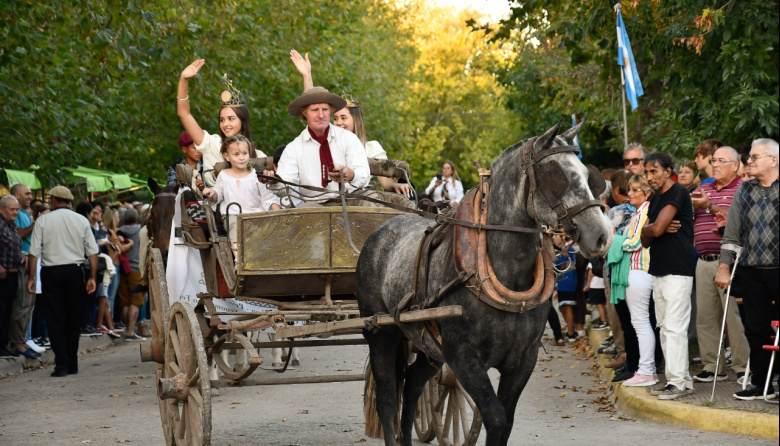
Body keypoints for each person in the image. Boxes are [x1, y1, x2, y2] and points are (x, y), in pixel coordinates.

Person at [290, 50, 412, 198]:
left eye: (343, 118)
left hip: (358, 201)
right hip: (328, 201)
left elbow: (386, 182)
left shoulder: (370, 148)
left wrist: (396, 185)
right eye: (335, 118)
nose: (339, 123)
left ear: (356, 121)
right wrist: (307, 76)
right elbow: (312, 108)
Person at [715, 138, 779, 400]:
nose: (748, 161)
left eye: (754, 157)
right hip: (751, 270)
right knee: (755, 328)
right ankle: (761, 384)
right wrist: (723, 267)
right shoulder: (744, 190)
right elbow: (732, 234)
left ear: (773, 160)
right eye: (749, 157)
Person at [690, 146, 749, 384]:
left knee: (733, 317)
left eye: (720, 161)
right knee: (705, 317)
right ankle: (712, 366)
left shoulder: (743, 188)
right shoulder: (703, 188)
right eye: (713, 160)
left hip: (731, 262)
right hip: (703, 260)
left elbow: (742, 221)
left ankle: (743, 367)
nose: (714, 165)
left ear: (735, 165)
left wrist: (709, 207)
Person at [26, 186, 99, 376]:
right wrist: (92, 277)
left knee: (55, 318)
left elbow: (34, 252)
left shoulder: (43, 220)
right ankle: (72, 363)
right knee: (73, 318)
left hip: (51, 272)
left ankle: (62, 364)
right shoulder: (81, 220)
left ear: (55, 200)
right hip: (75, 271)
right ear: (68, 201)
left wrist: (31, 278)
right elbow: (93, 252)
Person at [641, 152, 696, 400]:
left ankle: (678, 383)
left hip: (677, 270)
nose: (649, 176)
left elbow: (657, 230)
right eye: (647, 172)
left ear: (668, 171)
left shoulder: (678, 192)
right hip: (659, 270)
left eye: (654, 171)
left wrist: (654, 229)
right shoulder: (655, 199)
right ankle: (679, 379)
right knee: (664, 328)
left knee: (674, 328)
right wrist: (650, 229)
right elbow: (645, 239)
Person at [266, 86, 370, 204]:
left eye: (325, 109)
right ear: (305, 113)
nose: (321, 115)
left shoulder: (348, 138)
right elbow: (285, 185)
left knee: (370, 200)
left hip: (350, 200)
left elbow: (364, 174)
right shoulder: (293, 149)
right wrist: (274, 181)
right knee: (302, 210)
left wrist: (351, 174)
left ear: (330, 111)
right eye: (315, 110)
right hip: (314, 207)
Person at [177, 59, 264, 187]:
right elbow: (184, 114)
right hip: (216, 200)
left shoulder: (259, 156)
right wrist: (183, 80)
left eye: (231, 118)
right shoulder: (211, 145)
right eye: (222, 120)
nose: (225, 124)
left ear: (242, 121)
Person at [203, 134, 281, 251]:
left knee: (264, 232)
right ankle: (238, 258)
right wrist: (212, 193)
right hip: (233, 215)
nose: (242, 158)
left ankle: (260, 255)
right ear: (227, 156)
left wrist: (279, 213)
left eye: (245, 153)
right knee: (235, 228)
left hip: (255, 214)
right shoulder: (223, 175)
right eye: (236, 154)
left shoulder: (256, 175)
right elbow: (217, 195)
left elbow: (268, 197)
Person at [618, 175, 657, 387]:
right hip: (634, 270)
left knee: (641, 323)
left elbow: (636, 242)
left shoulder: (647, 211)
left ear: (647, 193)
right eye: (629, 190)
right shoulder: (638, 212)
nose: (630, 194)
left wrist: (616, 243)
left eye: (635, 190)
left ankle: (646, 371)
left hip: (640, 270)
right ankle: (646, 369)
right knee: (639, 322)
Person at [10, 184, 41, 357]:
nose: (30, 196)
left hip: (31, 261)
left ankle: (24, 341)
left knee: (29, 305)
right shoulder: (16, 215)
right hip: (23, 263)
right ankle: (18, 343)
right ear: (16, 195)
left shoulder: (24, 213)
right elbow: (19, 234)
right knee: (22, 305)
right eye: (27, 194)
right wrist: (36, 224)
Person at [0, 195, 25, 358]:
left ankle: (4, 344)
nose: (15, 212)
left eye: (17, 209)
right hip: (3, 275)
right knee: (1, 310)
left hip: (13, 274)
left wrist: (23, 256)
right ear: (1, 210)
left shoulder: (11, 226)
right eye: (12, 209)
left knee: (8, 310)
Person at [115, 208, 145, 341]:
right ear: (136, 218)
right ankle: (131, 332)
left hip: (123, 269)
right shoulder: (141, 230)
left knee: (125, 302)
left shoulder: (119, 231)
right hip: (137, 269)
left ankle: (128, 329)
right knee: (136, 302)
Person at [553, 234, 578, 340]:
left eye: (556, 235)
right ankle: (570, 328)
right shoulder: (563, 250)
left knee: (567, 307)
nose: (554, 237)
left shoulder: (567, 250)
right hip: (563, 283)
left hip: (567, 282)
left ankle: (571, 332)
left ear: (563, 237)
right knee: (562, 307)